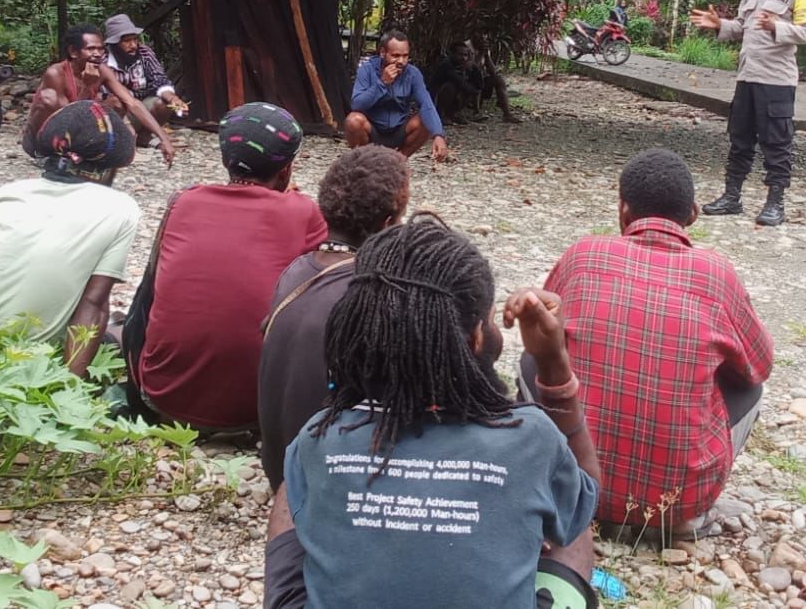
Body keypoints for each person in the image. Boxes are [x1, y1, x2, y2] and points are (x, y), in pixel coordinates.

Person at [263, 221, 601, 609]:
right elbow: (585, 493)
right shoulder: (531, 437)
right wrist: (552, 362)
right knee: (570, 504)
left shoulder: (320, 439)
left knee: (294, 482)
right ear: (476, 338)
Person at [528, 148, 771, 538]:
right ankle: (685, 516)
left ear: (623, 211)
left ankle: (558, 485)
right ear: (692, 214)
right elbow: (760, 366)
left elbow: (545, 334)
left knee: (536, 355)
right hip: (676, 502)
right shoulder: (717, 273)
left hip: (575, 492)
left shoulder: (583, 254)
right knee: (750, 384)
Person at [135, 102, 327, 431]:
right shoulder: (302, 211)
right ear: (286, 169)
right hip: (257, 413)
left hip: (162, 400)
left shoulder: (184, 201)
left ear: (225, 160)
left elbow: (152, 289)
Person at [0, 101, 140, 377]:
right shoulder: (121, 209)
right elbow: (94, 303)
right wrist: (70, 387)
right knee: (121, 332)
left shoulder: (5, 194)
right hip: (28, 365)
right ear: (111, 169)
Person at [257, 145, 411, 491]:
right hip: (328, 481)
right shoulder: (375, 291)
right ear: (387, 224)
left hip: (278, 469)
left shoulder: (295, 271)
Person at [690, 0, 806, 226]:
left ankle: (775, 203)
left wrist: (778, 27)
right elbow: (741, 26)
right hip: (747, 76)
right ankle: (731, 197)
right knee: (740, 138)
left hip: (776, 80)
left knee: (777, 143)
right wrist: (719, 24)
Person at [23, 24, 176, 166]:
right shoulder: (56, 73)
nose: (97, 54)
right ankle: (44, 153)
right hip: (46, 136)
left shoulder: (102, 70)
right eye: (90, 49)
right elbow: (66, 118)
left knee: (116, 102)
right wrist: (87, 86)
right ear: (73, 52)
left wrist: (164, 138)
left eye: (100, 49)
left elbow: (133, 103)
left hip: (76, 132)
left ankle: (86, 150)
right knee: (49, 99)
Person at [344, 30, 449, 162]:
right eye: (396, 55)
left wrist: (438, 135)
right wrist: (382, 83)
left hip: (398, 130)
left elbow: (426, 104)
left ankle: (399, 160)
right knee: (353, 120)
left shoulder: (412, 74)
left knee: (424, 119)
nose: (401, 61)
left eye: (405, 56)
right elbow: (357, 104)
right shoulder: (367, 69)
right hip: (372, 130)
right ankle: (364, 161)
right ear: (383, 53)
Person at [101, 14, 188, 146]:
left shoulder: (144, 53)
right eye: (127, 41)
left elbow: (159, 80)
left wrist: (173, 99)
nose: (133, 45)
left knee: (164, 104)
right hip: (118, 115)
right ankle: (119, 139)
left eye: (135, 39)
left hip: (143, 108)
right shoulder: (103, 61)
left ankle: (144, 136)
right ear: (114, 44)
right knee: (115, 102)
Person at [428, 41, 486, 126]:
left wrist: (474, 67)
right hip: (436, 96)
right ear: (452, 54)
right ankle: (440, 115)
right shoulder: (446, 64)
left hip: (455, 95)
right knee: (451, 87)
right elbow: (460, 82)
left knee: (470, 88)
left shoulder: (465, 65)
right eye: (460, 54)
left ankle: (453, 114)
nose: (463, 58)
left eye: (465, 55)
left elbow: (479, 85)